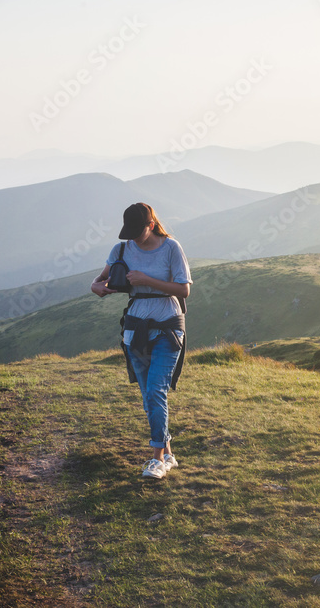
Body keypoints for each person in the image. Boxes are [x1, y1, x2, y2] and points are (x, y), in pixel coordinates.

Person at [91, 202, 192, 479]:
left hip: (168, 326)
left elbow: (184, 289)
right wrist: (98, 288)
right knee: (149, 396)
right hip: (135, 327)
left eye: (139, 231)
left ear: (151, 225)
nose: (134, 237)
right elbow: (98, 281)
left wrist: (147, 279)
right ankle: (168, 453)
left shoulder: (171, 248)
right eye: (130, 232)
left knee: (156, 391)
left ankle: (157, 459)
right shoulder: (121, 249)